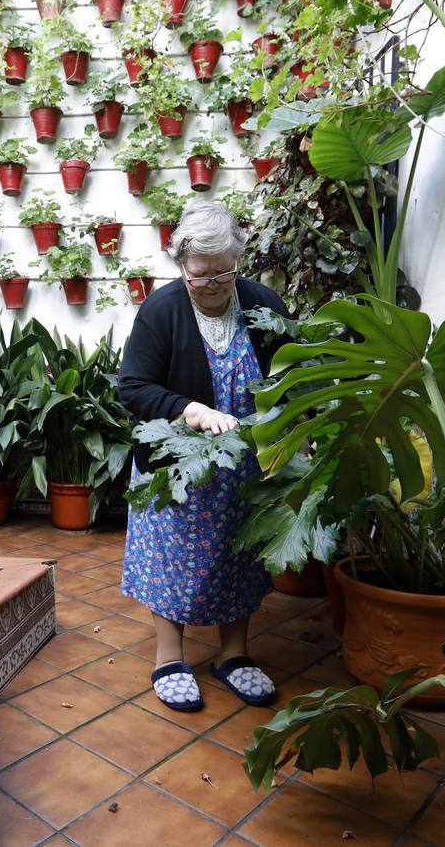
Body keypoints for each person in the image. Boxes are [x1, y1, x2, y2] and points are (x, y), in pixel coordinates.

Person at [117, 200, 289, 712]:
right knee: (172, 560)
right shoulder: (161, 310)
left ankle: (234, 654)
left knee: (239, 558)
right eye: (200, 275)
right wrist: (188, 409)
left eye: (224, 272)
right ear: (181, 266)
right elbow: (134, 387)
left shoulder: (262, 304)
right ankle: (170, 657)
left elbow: (291, 371)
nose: (213, 283)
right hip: (177, 468)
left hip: (246, 467)